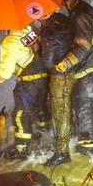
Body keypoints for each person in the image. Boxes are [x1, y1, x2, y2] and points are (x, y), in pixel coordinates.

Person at [54, 0, 93, 155]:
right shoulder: (82, 8)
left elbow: (83, 47)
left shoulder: (80, 16)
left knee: (84, 102)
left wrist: (64, 64)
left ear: (65, 1)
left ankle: (88, 145)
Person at [0, 26, 50, 160]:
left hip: (28, 82)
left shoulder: (10, 42)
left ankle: (21, 149)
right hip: (43, 75)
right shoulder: (31, 29)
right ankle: (45, 133)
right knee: (40, 106)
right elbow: (28, 55)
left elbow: (3, 73)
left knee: (21, 114)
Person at [37, 10, 75, 166]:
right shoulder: (58, 21)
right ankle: (64, 145)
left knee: (61, 112)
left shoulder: (54, 29)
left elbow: (48, 61)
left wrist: (38, 48)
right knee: (62, 111)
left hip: (60, 76)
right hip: (64, 73)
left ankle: (62, 153)